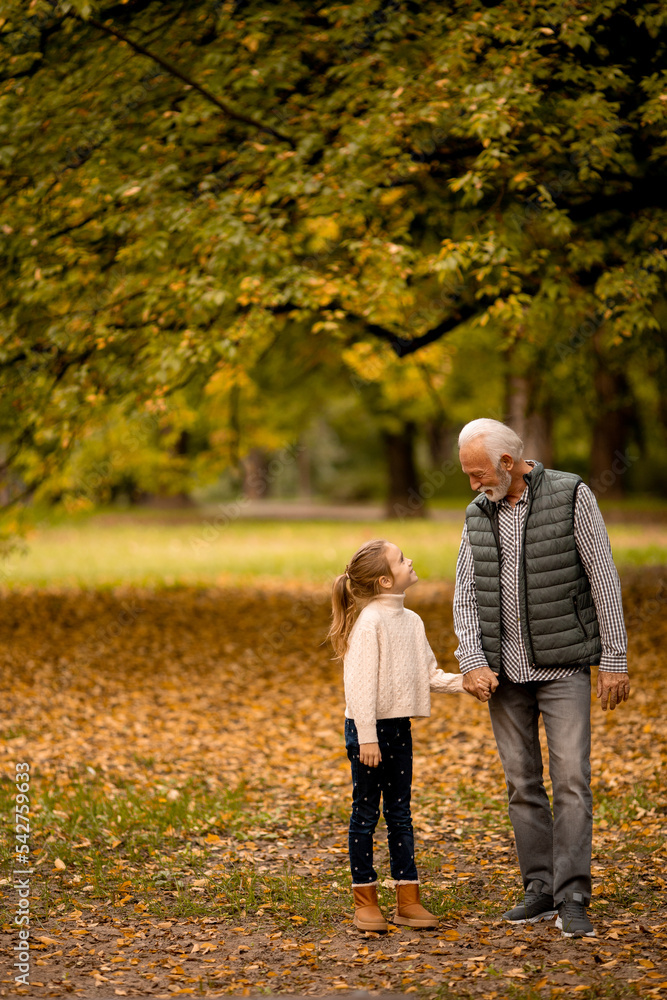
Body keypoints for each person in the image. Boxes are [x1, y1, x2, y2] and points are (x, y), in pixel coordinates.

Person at [453, 417, 630, 939]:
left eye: (478, 473)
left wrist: (613, 658)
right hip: (503, 675)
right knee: (521, 784)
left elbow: (602, 574)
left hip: (562, 666)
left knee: (572, 780)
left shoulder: (571, 495)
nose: (473, 484)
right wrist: (471, 660)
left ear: (507, 464)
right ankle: (539, 888)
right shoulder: (476, 513)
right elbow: (465, 592)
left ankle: (573, 894)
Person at [328, 538, 476, 933]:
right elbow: (357, 687)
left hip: (398, 730)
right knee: (364, 814)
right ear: (384, 580)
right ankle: (365, 901)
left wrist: (467, 684)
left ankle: (407, 901)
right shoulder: (370, 622)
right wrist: (367, 738)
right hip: (368, 733)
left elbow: (428, 674)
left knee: (400, 815)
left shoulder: (411, 621)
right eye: (400, 559)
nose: (409, 561)